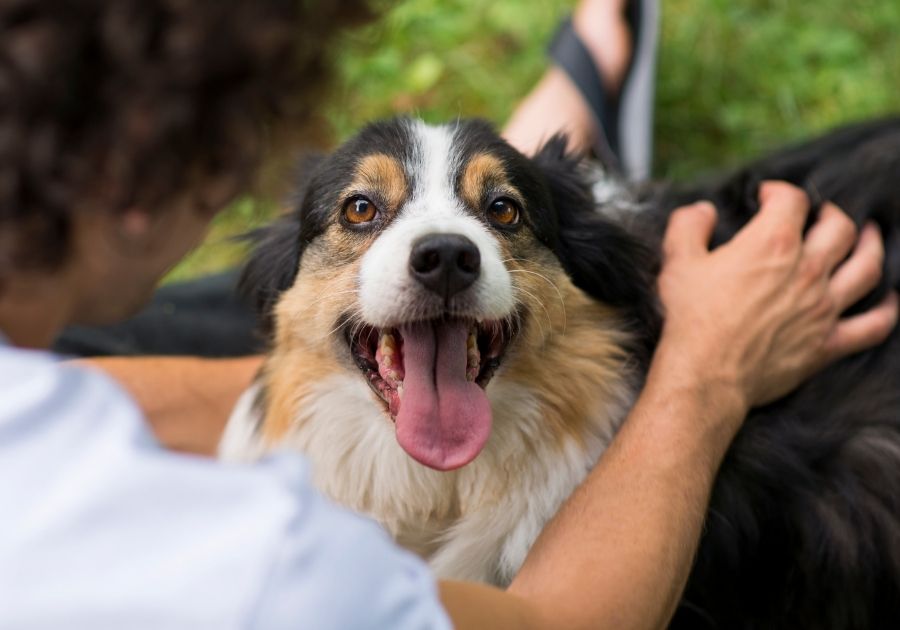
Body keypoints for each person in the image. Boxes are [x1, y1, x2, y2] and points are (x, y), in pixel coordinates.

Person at [0, 1, 897, 629]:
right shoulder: (275, 575)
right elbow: (560, 622)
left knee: (115, 332)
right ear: (133, 189)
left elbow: (95, 391)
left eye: (494, 214)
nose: (442, 247)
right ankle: (554, 157)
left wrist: (361, 351)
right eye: (363, 210)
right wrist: (709, 368)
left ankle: (551, 160)